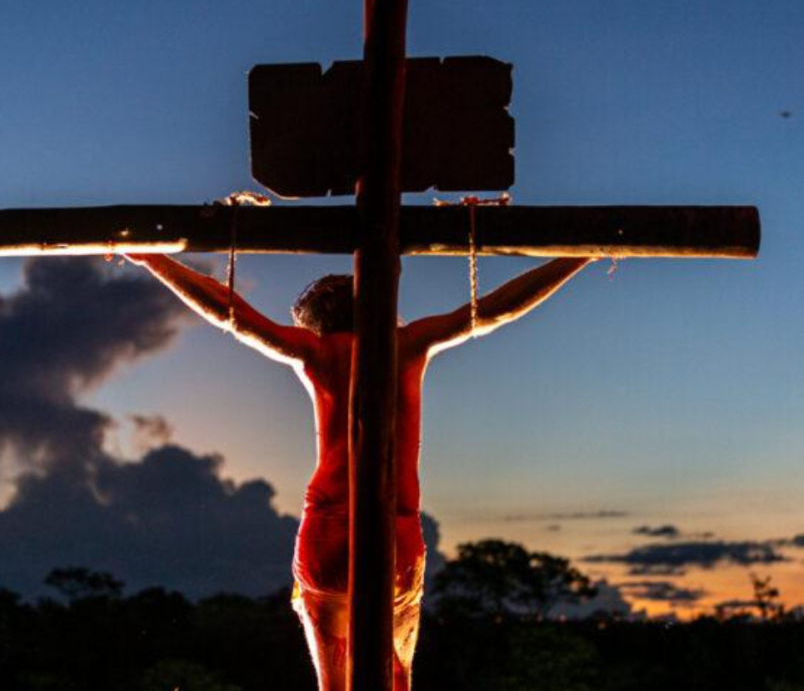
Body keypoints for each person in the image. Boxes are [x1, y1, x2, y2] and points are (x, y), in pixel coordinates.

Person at [128, 254, 595, 690]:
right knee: (393, 678)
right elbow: (495, 310)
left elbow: (229, 312)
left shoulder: (316, 351)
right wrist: (577, 256)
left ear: (318, 317)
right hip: (397, 530)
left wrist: (152, 258)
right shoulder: (408, 344)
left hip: (327, 532)